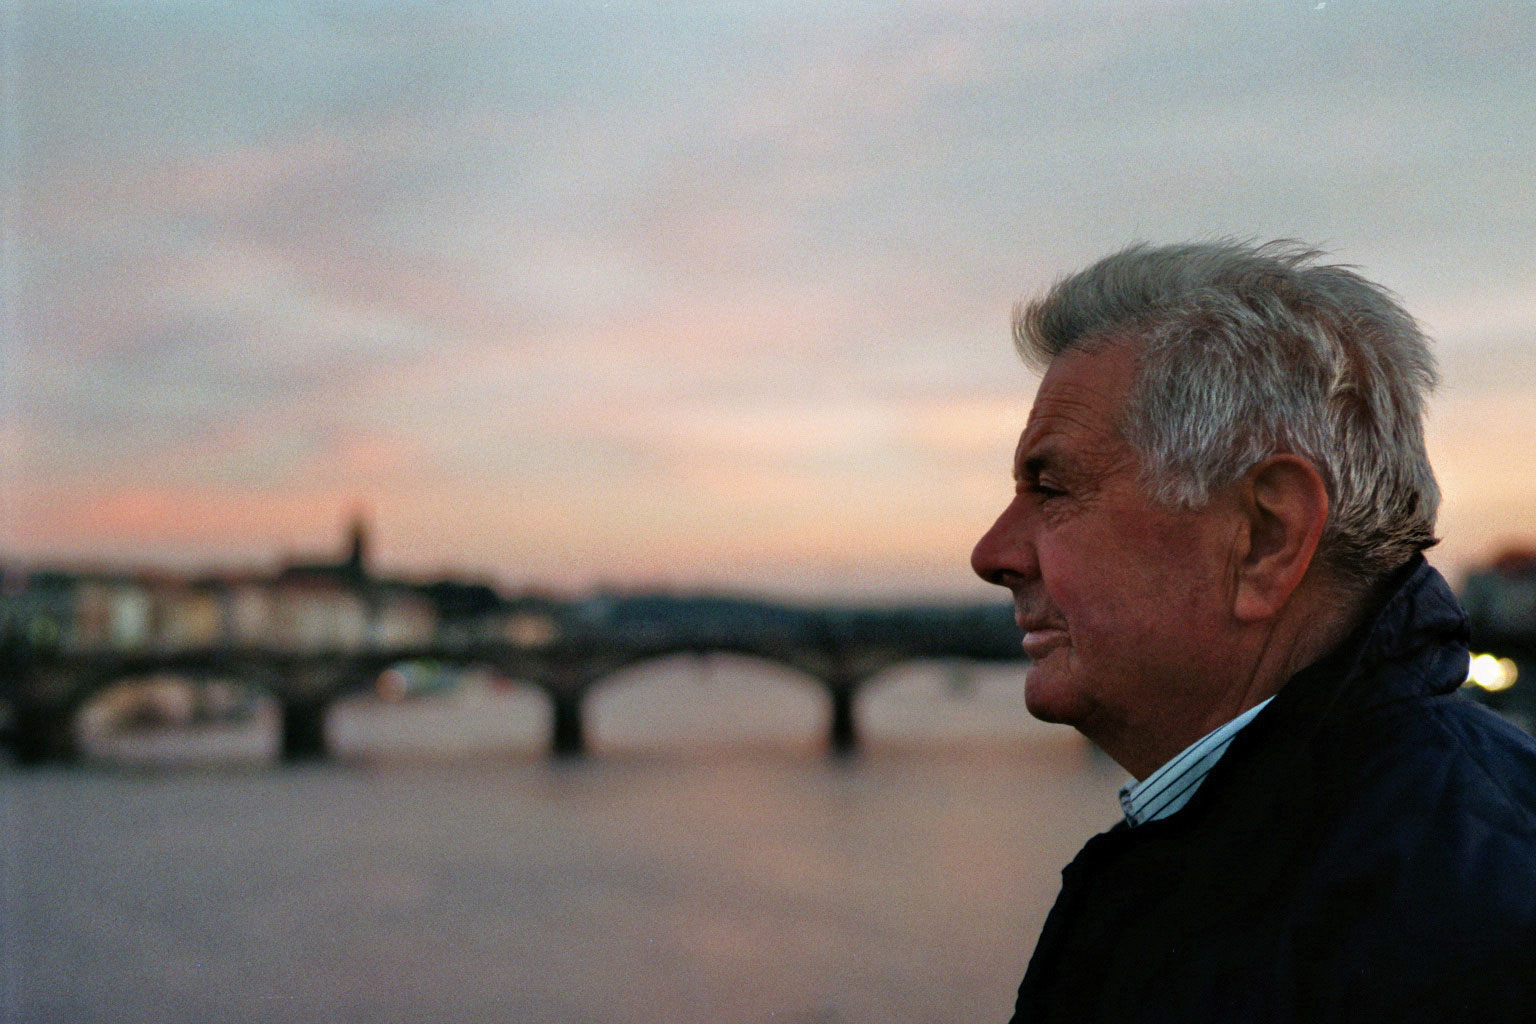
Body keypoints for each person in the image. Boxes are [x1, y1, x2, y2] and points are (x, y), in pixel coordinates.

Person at [970, 240, 1536, 1023]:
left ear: (1265, 537)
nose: (991, 554)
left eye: (1052, 488)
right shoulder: (1385, 877)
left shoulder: (1469, 939)